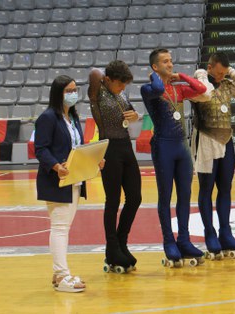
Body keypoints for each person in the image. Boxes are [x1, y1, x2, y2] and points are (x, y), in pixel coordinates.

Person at [35, 75, 104, 292]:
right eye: (68, 90)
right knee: (59, 228)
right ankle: (63, 276)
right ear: (58, 93)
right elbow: (41, 149)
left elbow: (78, 149)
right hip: (56, 181)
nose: (73, 94)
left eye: (75, 89)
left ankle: (59, 275)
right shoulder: (48, 117)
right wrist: (56, 166)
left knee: (64, 228)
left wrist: (94, 160)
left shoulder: (72, 118)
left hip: (74, 180)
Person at [140, 48, 207, 266]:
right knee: (165, 195)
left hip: (182, 147)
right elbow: (159, 87)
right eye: (165, 62)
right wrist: (155, 77)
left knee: (185, 195)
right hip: (163, 147)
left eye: (171, 61)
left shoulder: (178, 89)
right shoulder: (148, 89)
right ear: (155, 66)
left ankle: (184, 240)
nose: (170, 65)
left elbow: (201, 88)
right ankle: (169, 241)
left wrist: (182, 77)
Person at [191, 52, 235, 259]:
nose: (220, 77)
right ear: (209, 68)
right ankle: (209, 232)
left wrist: (231, 73)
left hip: (226, 141)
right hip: (207, 140)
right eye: (218, 73)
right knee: (207, 189)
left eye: (223, 73)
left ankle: (225, 232)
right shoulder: (199, 84)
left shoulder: (228, 83)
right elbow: (207, 93)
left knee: (225, 189)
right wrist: (202, 75)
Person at [88, 60, 142, 271]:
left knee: (135, 197)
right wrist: (107, 75)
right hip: (108, 148)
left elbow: (132, 112)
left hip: (126, 146)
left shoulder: (121, 94)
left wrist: (136, 115)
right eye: (119, 84)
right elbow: (94, 71)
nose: (122, 88)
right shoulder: (97, 93)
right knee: (113, 200)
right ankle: (111, 248)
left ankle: (121, 242)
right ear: (108, 79)